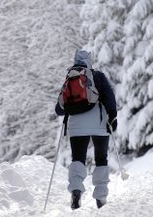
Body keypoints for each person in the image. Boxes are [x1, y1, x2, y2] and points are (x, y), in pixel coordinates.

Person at [55, 49, 118, 210]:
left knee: (78, 158)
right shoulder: (97, 76)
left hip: (77, 127)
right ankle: (101, 196)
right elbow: (110, 97)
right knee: (101, 158)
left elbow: (59, 109)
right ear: (90, 61)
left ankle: (76, 191)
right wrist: (112, 117)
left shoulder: (70, 78)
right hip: (99, 124)